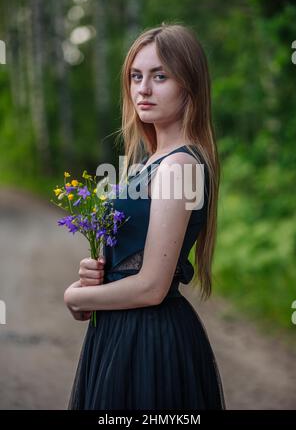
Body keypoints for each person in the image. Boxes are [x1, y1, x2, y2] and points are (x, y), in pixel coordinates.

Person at [64, 23, 226, 410]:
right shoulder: (147, 163)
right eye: (136, 76)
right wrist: (97, 276)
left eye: (160, 76)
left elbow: (152, 287)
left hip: (149, 338)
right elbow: (133, 262)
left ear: (189, 85)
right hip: (120, 331)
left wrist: (76, 295)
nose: (143, 89)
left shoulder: (180, 165)